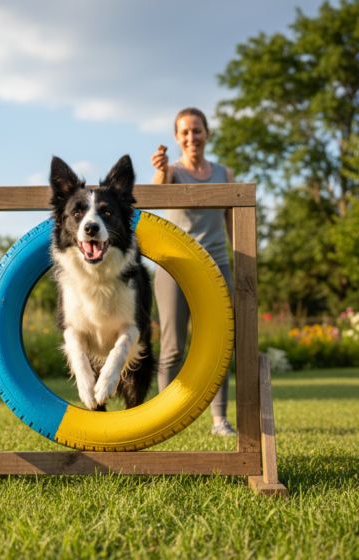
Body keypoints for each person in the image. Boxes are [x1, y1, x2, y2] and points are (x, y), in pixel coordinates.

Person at [150, 107, 236, 436]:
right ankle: (166, 420)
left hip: (217, 267)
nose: (191, 137)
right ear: (176, 137)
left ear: (207, 134)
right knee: (173, 347)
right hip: (176, 267)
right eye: (184, 132)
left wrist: (243, 265)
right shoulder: (171, 171)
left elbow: (233, 224)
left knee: (218, 345)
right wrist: (159, 171)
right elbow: (157, 193)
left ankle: (219, 420)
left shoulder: (224, 173)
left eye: (197, 130)